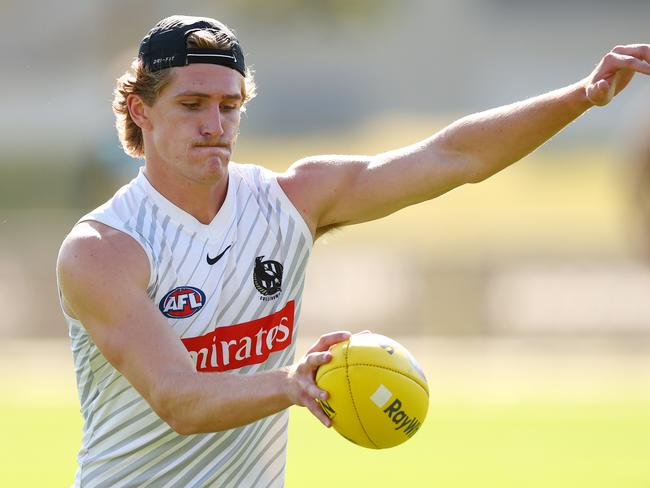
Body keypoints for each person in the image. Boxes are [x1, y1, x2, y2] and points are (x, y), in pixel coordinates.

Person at [56, 14, 650, 488]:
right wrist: (292, 382)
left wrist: (581, 98)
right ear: (141, 110)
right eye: (192, 105)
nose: (215, 123)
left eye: (230, 105)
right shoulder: (103, 249)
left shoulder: (289, 202)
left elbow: (454, 157)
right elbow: (177, 398)